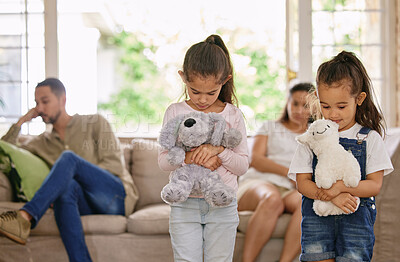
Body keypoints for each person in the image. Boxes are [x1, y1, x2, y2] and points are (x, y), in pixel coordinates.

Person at [0, 78, 138, 262]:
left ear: (62, 99)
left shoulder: (95, 122)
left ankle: (26, 215)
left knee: (68, 159)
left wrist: (66, 176)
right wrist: (21, 122)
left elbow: (113, 166)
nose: (39, 108)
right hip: (84, 203)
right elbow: (4, 150)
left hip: (115, 197)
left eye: (45, 101)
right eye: (36, 103)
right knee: (65, 189)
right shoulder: (41, 143)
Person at [288, 51, 393, 262]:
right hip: (317, 219)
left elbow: (374, 185)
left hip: (356, 221)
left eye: (342, 106)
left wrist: (340, 188)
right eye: (326, 106)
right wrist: (331, 196)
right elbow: (302, 183)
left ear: (359, 99)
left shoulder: (369, 138)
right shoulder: (311, 137)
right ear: (317, 99)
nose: (333, 114)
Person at [158, 34, 249, 262]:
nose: (202, 100)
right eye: (195, 91)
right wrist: (190, 157)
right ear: (183, 78)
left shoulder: (232, 115)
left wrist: (218, 151)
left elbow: (242, 166)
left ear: (224, 81)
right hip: (184, 204)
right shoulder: (175, 112)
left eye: (211, 92)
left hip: (222, 204)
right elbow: (162, 161)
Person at [237, 82, 313, 262]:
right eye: (295, 103)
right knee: (272, 200)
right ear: (287, 103)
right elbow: (256, 159)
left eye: (305, 106)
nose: (299, 110)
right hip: (258, 182)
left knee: (308, 206)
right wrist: (290, 173)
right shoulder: (270, 126)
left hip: (290, 189)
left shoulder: (314, 136)